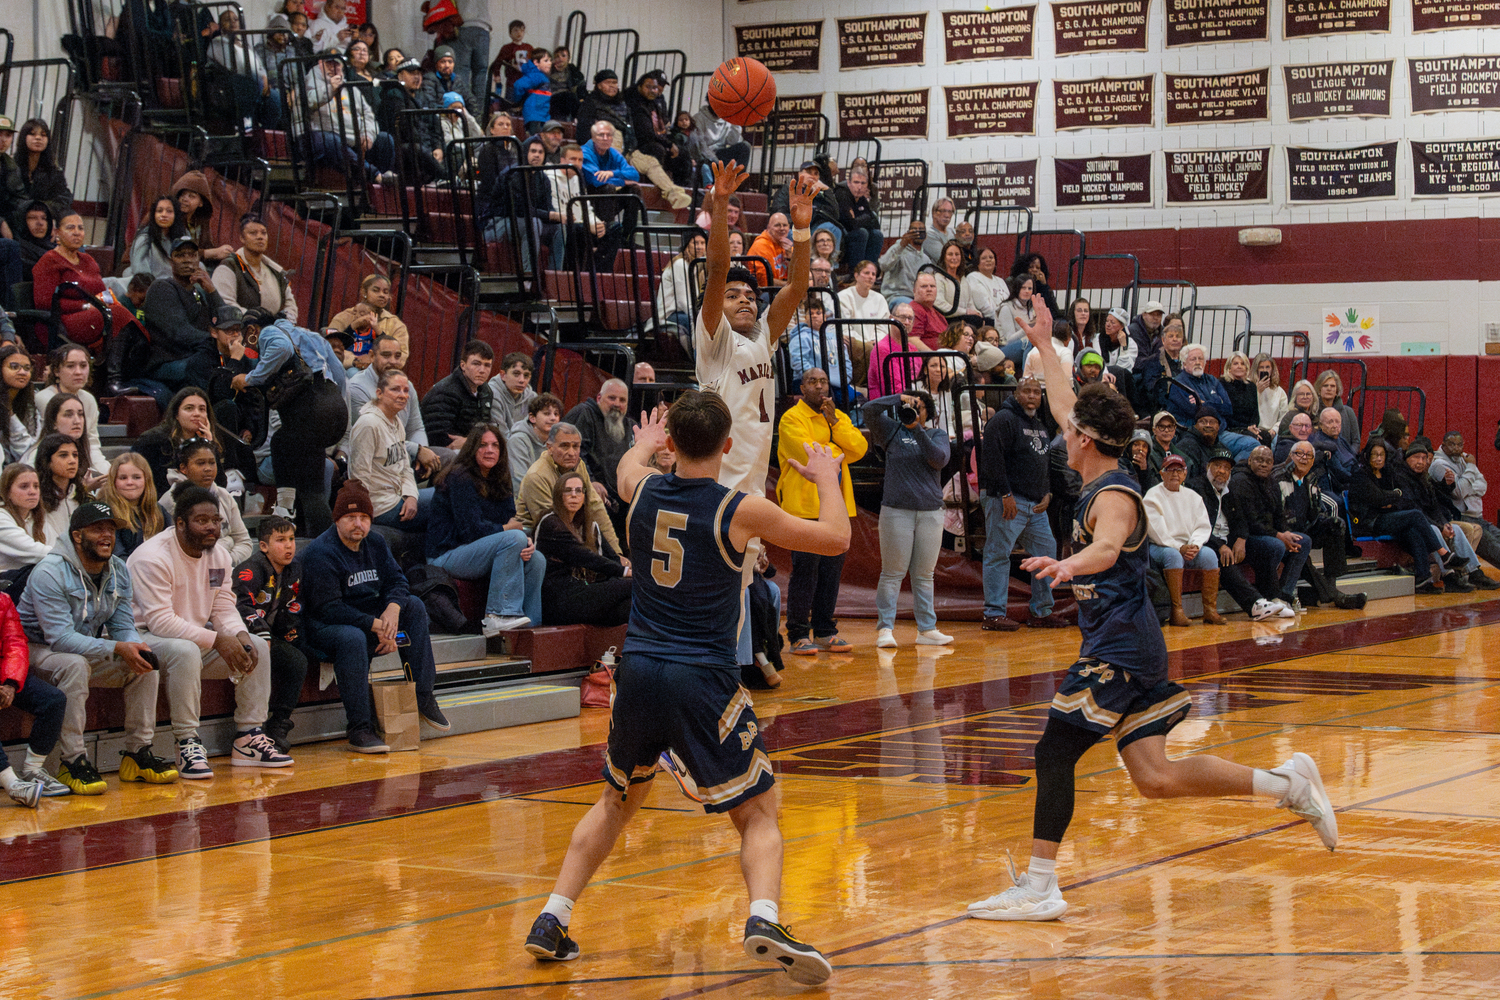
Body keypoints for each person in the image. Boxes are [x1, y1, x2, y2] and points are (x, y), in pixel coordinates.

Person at [967, 332, 1338, 925]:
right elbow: (1068, 405)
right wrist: (1042, 343)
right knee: (1155, 777)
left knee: (1055, 749)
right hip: (1133, 644)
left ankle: (1040, 885)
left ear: (1083, 442)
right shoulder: (1099, 461)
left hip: (1119, 647)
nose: (1063, 431)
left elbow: (1109, 547)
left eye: (1070, 430)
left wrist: (1068, 564)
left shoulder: (1113, 495)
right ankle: (1287, 785)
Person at [523, 393, 845, 984]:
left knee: (615, 801)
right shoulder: (739, 508)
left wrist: (646, 442)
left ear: (672, 445)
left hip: (639, 672)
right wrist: (826, 475)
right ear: (728, 446)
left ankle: (552, 915)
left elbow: (624, 466)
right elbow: (835, 538)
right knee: (758, 807)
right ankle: (765, 918)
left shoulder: (641, 489)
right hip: (700, 678)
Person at [696, 162, 813, 669]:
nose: (745, 298)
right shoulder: (714, 344)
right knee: (714, 603)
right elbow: (719, 267)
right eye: (734, 295)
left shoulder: (764, 335)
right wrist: (721, 204)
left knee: (739, 600)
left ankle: (729, 682)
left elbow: (798, 287)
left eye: (751, 295)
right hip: (715, 487)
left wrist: (803, 229)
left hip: (750, 488)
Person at [127, 486, 291, 777]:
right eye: (202, 521)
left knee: (257, 645)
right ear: (180, 524)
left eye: (215, 520)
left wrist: (239, 636)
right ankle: (187, 742)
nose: (211, 527)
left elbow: (223, 606)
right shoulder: (151, 557)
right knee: (185, 650)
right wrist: (218, 640)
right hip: (145, 637)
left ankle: (248, 737)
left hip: (195, 635)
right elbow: (160, 621)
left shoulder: (218, 557)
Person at [21, 499, 180, 794]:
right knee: (73, 664)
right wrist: (118, 647)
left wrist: (134, 644)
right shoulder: (50, 571)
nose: (107, 535)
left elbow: (122, 626)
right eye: (97, 529)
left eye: (111, 529)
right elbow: (59, 638)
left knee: (145, 662)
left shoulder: (118, 568)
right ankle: (73, 761)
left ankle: (137, 754)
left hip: (82, 645)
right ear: (77, 535)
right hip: (34, 650)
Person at [300, 479, 448, 752]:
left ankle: (424, 694)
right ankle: (360, 728)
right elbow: (328, 608)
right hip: (326, 628)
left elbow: (398, 582)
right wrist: (377, 626)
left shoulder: (376, 542)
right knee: (353, 637)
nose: (359, 524)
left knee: (412, 605)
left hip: (372, 624)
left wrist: (392, 611)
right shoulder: (321, 553)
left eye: (364, 517)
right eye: (351, 517)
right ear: (337, 519)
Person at [233, 309, 350, 537]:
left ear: (252, 330)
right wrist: (336, 402)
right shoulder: (311, 335)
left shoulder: (269, 332)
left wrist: (249, 378)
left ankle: (289, 519)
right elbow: (340, 374)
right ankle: (289, 514)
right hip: (334, 411)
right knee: (283, 445)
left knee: (309, 491)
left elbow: (281, 348)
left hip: (310, 412)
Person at [777, 368, 867, 656]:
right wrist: (835, 445)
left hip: (836, 507)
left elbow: (859, 448)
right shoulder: (791, 418)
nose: (818, 386)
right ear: (802, 388)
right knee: (805, 570)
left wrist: (835, 423)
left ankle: (826, 630)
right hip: (803, 507)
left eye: (823, 381)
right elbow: (812, 455)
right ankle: (798, 634)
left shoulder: (835, 417)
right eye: (812, 382)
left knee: (831, 571)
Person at [428, 424, 542, 633]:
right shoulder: (459, 477)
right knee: (514, 538)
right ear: (472, 449)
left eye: (495, 445)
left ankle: (531, 628)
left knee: (536, 558)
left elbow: (511, 521)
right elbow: (470, 531)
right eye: (483, 445)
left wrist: (526, 541)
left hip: (480, 550)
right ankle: (497, 614)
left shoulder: (499, 477)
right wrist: (510, 531)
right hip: (447, 555)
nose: (490, 450)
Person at [979, 375, 1067, 631]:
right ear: (1016, 394)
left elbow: (1044, 463)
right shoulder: (1003, 420)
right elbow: (992, 460)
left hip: (1036, 505)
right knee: (997, 555)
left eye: (1036, 392)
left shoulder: (1039, 424)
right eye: (1026, 391)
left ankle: (1041, 612)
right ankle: (993, 614)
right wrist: (1005, 495)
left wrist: (1048, 492)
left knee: (1047, 554)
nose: (1032, 396)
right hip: (1007, 501)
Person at [865, 388, 950, 648]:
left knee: (924, 575)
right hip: (896, 511)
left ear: (929, 413)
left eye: (920, 407)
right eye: (911, 406)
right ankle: (885, 629)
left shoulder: (937, 434)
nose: (914, 410)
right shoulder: (890, 431)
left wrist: (917, 429)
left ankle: (927, 630)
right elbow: (869, 410)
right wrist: (898, 398)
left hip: (931, 512)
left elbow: (939, 460)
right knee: (892, 573)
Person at [1190, 448, 1297, 622]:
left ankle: (1272, 599)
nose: (1222, 471)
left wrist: (1241, 538)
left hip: (1228, 539)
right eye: (1218, 466)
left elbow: (1240, 520)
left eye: (1226, 468)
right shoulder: (1196, 487)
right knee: (1223, 556)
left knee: (1264, 549)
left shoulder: (1228, 489)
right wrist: (1220, 544)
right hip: (1205, 540)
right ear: (1208, 467)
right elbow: (1197, 526)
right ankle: (1254, 605)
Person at [232, 516, 310, 753]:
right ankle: (269, 727)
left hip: (275, 634)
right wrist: (263, 635)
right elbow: (241, 607)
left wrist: (291, 634)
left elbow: (294, 606)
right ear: (263, 546)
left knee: (308, 649)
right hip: (244, 635)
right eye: (280, 540)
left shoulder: (294, 569)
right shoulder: (250, 570)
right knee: (296, 661)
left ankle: (278, 724)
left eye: (291, 539)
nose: (288, 545)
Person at [1276, 440, 1369, 609]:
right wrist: (1284, 533)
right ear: (1291, 456)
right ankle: (1333, 596)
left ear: (1313, 460)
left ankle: (1330, 587)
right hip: (1282, 533)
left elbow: (1317, 512)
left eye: (1308, 455)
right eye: (1299, 454)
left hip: (1304, 530)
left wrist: (1326, 520)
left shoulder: (1311, 479)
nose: (1304, 458)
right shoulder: (1279, 479)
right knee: (1302, 543)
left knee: (1334, 526)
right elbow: (1275, 515)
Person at [534, 471, 630, 627]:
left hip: (582, 594)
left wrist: (623, 569)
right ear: (559, 495)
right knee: (634, 585)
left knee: (629, 607)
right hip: (557, 599)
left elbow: (612, 558)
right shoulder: (551, 523)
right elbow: (584, 557)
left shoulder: (589, 526)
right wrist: (624, 572)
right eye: (568, 491)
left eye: (579, 491)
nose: (574, 495)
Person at [0, 587, 69, 805]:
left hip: (4, 673)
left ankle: (32, 771)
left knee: (53, 700)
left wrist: (10, 682)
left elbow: (16, 642)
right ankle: (11, 783)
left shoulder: (3, 600)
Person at [138, 237, 225, 407]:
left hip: (195, 359)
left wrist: (212, 291)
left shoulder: (199, 293)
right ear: (171, 262)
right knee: (205, 365)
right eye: (180, 255)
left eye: (192, 255)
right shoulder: (161, 288)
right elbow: (179, 332)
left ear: (198, 260)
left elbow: (227, 321)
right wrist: (217, 342)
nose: (187, 259)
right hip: (166, 363)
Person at [31, 213, 137, 351]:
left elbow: (100, 291)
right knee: (115, 314)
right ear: (57, 232)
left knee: (121, 309)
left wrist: (107, 301)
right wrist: (84, 306)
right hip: (62, 321)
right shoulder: (49, 261)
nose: (76, 233)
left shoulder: (87, 260)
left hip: (95, 313)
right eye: (70, 228)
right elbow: (44, 302)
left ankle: (128, 359)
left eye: (80, 228)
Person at [1348, 439, 1443, 591]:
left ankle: (1422, 578)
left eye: (1382, 455)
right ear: (1367, 456)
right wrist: (1389, 497)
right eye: (1375, 455)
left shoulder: (1387, 473)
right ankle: (1442, 553)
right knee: (1416, 516)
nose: (1379, 458)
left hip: (1387, 517)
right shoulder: (1361, 475)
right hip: (1370, 522)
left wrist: (1389, 497)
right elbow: (1378, 499)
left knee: (1412, 531)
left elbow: (1399, 495)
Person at [516, 423, 623, 556]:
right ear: (549, 447)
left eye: (576, 446)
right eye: (564, 446)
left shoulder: (579, 465)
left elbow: (596, 507)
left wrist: (617, 553)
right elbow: (551, 526)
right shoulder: (536, 476)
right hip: (535, 541)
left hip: (570, 532)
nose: (571, 453)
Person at [1228, 446, 1312, 611]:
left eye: (1268, 461)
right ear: (1250, 460)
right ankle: (1269, 594)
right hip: (1247, 537)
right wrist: (1278, 535)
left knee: (1303, 541)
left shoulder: (1272, 481)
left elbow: (1279, 514)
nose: (1264, 465)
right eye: (1259, 460)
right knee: (1275, 545)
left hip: (1269, 534)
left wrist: (1285, 532)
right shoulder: (1240, 481)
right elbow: (1251, 521)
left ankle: (1284, 594)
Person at [1143, 454, 1223, 627]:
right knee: (1173, 556)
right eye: (1170, 470)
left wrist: (1195, 544)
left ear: (1185, 474)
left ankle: (1210, 610)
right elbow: (1156, 531)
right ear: (1161, 473)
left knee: (1209, 555)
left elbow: (1202, 526)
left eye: (1179, 470)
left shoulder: (1193, 496)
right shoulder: (1152, 496)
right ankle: (1176, 611)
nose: (1175, 474)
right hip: (1161, 546)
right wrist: (1179, 547)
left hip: (1189, 546)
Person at [1402, 438, 1490, 593]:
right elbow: (1415, 510)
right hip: (1412, 524)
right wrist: (1440, 526)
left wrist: (1445, 524)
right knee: (1434, 531)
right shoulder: (1402, 479)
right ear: (1407, 459)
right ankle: (1448, 576)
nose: (1420, 462)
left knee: (1455, 528)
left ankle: (1473, 571)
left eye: (1424, 458)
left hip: (1430, 521)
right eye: (1416, 458)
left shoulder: (1425, 479)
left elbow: (1435, 507)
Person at [349, 370, 431, 532]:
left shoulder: (396, 422)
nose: (402, 395)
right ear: (379, 393)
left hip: (399, 497)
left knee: (448, 493)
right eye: (395, 389)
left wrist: (412, 496)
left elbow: (405, 468)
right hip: (379, 506)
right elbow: (359, 477)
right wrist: (364, 517)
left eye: (406, 390)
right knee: (444, 500)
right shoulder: (368, 424)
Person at [135, 385, 255, 496]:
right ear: (176, 414)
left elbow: (219, 485)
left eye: (202, 409)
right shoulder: (152, 440)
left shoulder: (210, 441)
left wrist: (209, 446)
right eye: (189, 408)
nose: (196, 414)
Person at [295, 55, 395, 183]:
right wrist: (330, 88)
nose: (333, 68)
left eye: (337, 65)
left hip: (350, 138)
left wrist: (367, 134)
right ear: (320, 64)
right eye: (329, 64)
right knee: (331, 140)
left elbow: (368, 115)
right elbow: (309, 101)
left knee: (384, 139)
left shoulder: (351, 88)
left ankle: (381, 187)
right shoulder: (308, 83)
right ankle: (375, 176)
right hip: (316, 138)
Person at [159, 438, 254, 564]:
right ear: (183, 468)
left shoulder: (224, 496)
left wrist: (226, 561)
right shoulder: (171, 501)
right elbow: (182, 548)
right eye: (200, 463)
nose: (208, 468)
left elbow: (244, 542)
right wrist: (227, 542)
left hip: (227, 567)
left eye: (212, 463)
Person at [35, 344, 108, 480]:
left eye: (83, 365)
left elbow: (91, 443)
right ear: (56, 371)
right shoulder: (44, 398)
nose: (78, 372)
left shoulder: (89, 399)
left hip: (80, 460)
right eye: (70, 366)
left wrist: (106, 472)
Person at [1430, 430, 1500, 570]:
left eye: (1459, 445)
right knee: (1496, 550)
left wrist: (1467, 486)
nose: (1456, 448)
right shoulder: (1439, 464)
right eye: (1452, 444)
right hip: (1462, 517)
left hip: (1478, 517)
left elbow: (1483, 485)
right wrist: (1471, 467)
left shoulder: (1463, 459)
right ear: (1443, 444)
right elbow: (1459, 492)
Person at [564, 379, 636, 512]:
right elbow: (573, 455)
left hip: (621, 501)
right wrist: (590, 482)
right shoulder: (584, 414)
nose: (617, 404)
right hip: (588, 496)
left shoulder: (631, 426)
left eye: (622, 400)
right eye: (612, 398)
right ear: (599, 398)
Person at [211, 213, 298, 322]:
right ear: (242, 238)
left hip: (275, 330)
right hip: (240, 331)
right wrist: (256, 320)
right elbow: (225, 304)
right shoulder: (228, 267)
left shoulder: (276, 272)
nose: (260, 237)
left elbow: (290, 305)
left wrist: (283, 323)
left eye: (263, 233)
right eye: (253, 233)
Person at [206, 8, 282, 129]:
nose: (233, 22)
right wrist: (259, 79)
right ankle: (246, 119)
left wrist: (264, 78)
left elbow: (259, 65)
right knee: (252, 83)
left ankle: (265, 133)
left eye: (235, 19)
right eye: (227, 20)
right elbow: (236, 65)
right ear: (220, 26)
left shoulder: (245, 44)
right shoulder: (218, 42)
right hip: (231, 86)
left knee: (275, 98)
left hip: (255, 82)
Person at [378, 59, 446, 183]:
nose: (417, 77)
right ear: (400, 75)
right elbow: (405, 128)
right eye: (412, 73)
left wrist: (437, 147)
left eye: (419, 74)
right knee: (417, 149)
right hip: (403, 147)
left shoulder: (424, 96)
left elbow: (435, 126)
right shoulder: (394, 94)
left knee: (455, 151)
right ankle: (447, 178)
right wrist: (427, 150)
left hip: (425, 147)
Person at [787, 296, 859, 409]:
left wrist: (846, 378)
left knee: (857, 398)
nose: (815, 315)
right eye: (810, 313)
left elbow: (845, 360)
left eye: (818, 312)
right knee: (837, 400)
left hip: (837, 382)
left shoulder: (834, 337)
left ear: (825, 317)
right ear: (805, 318)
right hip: (809, 382)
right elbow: (798, 362)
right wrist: (819, 380)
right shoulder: (800, 337)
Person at [421, 339, 495, 449]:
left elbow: (485, 427)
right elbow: (440, 437)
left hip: (471, 447)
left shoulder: (485, 391)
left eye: (487, 365)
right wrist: (476, 442)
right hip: (439, 451)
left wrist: (471, 441)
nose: (482, 370)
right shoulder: (445, 392)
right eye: (476, 364)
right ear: (463, 366)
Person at [96, 453, 162, 558]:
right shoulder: (105, 512)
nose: (130, 482)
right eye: (123, 478)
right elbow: (118, 557)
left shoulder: (158, 509)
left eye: (136, 477)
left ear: (146, 480)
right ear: (113, 481)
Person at [329, 274, 409, 360]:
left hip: (379, 371)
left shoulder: (395, 324)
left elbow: (401, 355)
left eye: (386, 292)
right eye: (376, 290)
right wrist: (356, 360)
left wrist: (372, 361)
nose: (382, 295)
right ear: (364, 292)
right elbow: (329, 347)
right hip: (346, 369)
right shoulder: (344, 317)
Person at [13, 120, 73, 227]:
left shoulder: (54, 172)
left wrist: (41, 209)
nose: (38, 138)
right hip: (15, 222)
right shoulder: (11, 167)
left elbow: (63, 200)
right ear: (23, 137)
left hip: (44, 222)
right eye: (32, 134)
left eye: (43, 135)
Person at [0, 463, 52, 584]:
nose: (32, 492)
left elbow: (52, 546)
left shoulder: (38, 517)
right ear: (7, 492)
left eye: (36, 486)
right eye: (24, 487)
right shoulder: (1, 517)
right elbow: (34, 552)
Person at [171, 170, 233, 265]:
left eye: (191, 196)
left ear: (201, 203)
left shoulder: (199, 223)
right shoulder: (172, 220)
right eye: (182, 195)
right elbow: (179, 252)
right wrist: (214, 252)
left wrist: (221, 253)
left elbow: (207, 247)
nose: (185, 199)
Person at [122, 196, 186, 285]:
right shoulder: (145, 238)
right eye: (159, 211)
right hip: (151, 285)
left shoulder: (182, 236)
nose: (164, 215)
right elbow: (141, 271)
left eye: (169, 211)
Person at [36, 434, 89, 541]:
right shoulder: (37, 498)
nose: (72, 461)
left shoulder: (82, 495)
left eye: (75, 455)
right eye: (63, 455)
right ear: (47, 461)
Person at [508, 392, 562, 491]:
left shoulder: (556, 442)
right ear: (532, 418)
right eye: (546, 413)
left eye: (556, 414)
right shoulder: (517, 441)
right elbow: (519, 482)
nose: (553, 418)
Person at [878, 219, 928, 306]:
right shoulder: (897, 250)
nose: (918, 233)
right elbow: (883, 265)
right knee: (916, 309)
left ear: (926, 235)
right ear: (908, 233)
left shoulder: (926, 259)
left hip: (917, 298)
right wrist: (902, 245)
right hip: (896, 296)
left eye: (921, 230)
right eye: (914, 230)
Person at [487, 350, 536, 431]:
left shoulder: (532, 398)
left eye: (526, 375)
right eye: (516, 374)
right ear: (503, 375)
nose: (522, 380)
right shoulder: (492, 394)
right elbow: (500, 434)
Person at [1313, 370, 1360, 448]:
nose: (1329, 389)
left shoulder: (1348, 412)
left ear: (1337, 390)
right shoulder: (1313, 412)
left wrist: (1348, 456)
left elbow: (1356, 441)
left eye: (1332, 386)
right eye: (1325, 385)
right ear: (1319, 389)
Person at [1253, 353, 1288, 432]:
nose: (1265, 370)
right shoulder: (1249, 388)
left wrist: (1274, 430)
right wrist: (1257, 392)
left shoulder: (1279, 391)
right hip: (1254, 429)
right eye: (1261, 367)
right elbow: (1246, 410)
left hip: (1273, 431)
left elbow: (1284, 416)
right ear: (1256, 369)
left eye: (1267, 367)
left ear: (1272, 369)